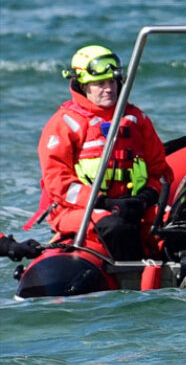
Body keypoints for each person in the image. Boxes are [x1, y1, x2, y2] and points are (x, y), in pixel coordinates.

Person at [35, 45, 171, 260]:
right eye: (99, 84)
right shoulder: (64, 124)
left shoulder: (137, 119)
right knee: (115, 226)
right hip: (79, 209)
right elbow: (58, 184)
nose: (109, 89)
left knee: (178, 222)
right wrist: (105, 203)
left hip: (134, 205)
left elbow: (160, 172)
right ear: (83, 86)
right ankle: (134, 281)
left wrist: (145, 198)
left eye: (112, 82)